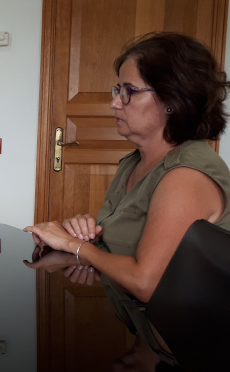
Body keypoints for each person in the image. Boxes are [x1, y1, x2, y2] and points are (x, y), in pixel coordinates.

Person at [24, 32, 230, 303]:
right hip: (129, 315)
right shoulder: (134, 162)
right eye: (118, 90)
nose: (114, 102)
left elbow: (147, 284)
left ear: (172, 100)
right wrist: (84, 234)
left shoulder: (186, 176)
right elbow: (120, 244)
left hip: (169, 329)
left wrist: (75, 246)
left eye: (129, 91)